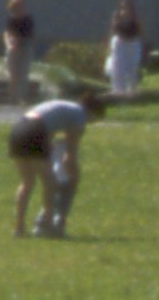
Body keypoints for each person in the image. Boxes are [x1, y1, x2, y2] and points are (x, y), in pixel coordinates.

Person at [8, 89, 106, 239]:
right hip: (36, 131)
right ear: (92, 112)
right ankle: (47, 225)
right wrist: (74, 176)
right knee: (50, 183)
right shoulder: (79, 115)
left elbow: (49, 130)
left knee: (27, 182)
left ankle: (19, 227)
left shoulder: (63, 106)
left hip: (18, 129)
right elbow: (70, 156)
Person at [106, 0, 145, 99]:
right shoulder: (117, 15)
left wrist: (143, 44)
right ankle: (118, 92)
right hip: (120, 43)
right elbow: (112, 30)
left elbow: (140, 31)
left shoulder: (135, 17)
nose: (126, 6)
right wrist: (109, 45)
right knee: (119, 68)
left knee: (132, 68)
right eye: (124, 4)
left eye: (129, 4)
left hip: (132, 43)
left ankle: (132, 91)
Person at [1, 0, 35, 105]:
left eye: (21, 5)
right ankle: (12, 98)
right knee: (12, 74)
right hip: (13, 47)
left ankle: (22, 98)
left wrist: (16, 41)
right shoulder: (11, 19)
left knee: (23, 73)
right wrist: (9, 43)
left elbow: (27, 35)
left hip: (25, 48)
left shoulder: (28, 20)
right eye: (17, 5)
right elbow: (7, 32)